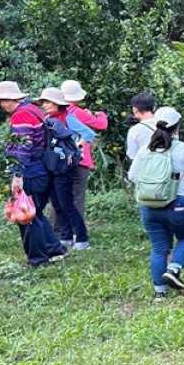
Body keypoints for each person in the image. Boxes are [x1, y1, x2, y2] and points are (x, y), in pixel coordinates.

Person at [0, 81, 67, 267]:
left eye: (2, 100)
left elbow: (23, 146)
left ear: (12, 98)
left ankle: (38, 259)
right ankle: (55, 249)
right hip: (41, 169)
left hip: (31, 171)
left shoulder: (21, 115)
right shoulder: (32, 109)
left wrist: (17, 174)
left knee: (26, 216)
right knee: (36, 212)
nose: (0, 105)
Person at [127, 107, 184, 301]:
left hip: (149, 206)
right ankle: (174, 268)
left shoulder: (145, 149)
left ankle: (160, 293)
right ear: (177, 127)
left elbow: (132, 176)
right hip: (178, 204)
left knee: (159, 248)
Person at [56, 79, 107, 248]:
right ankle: (78, 234)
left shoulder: (56, 114)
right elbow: (101, 125)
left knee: (60, 196)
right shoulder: (77, 113)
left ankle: (58, 232)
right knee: (77, 197)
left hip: (61, 160)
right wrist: (101, 114)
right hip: (80, 159)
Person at [36, 87, 88, 251]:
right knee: (57, 204)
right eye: (43, 101)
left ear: (57, 104)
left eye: (47, 101)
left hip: (64, 166)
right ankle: (65, 236)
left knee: (67, 203)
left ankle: (82, 237)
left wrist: (74, 148)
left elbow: (88, 134)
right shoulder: (46, 119)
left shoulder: (68, 118)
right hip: (51, 166)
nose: (44, 104)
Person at [126, 92, 156, 161]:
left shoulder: (135, 130)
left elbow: (132, 156)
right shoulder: (165, 124)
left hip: (146, 169)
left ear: (135, 110)